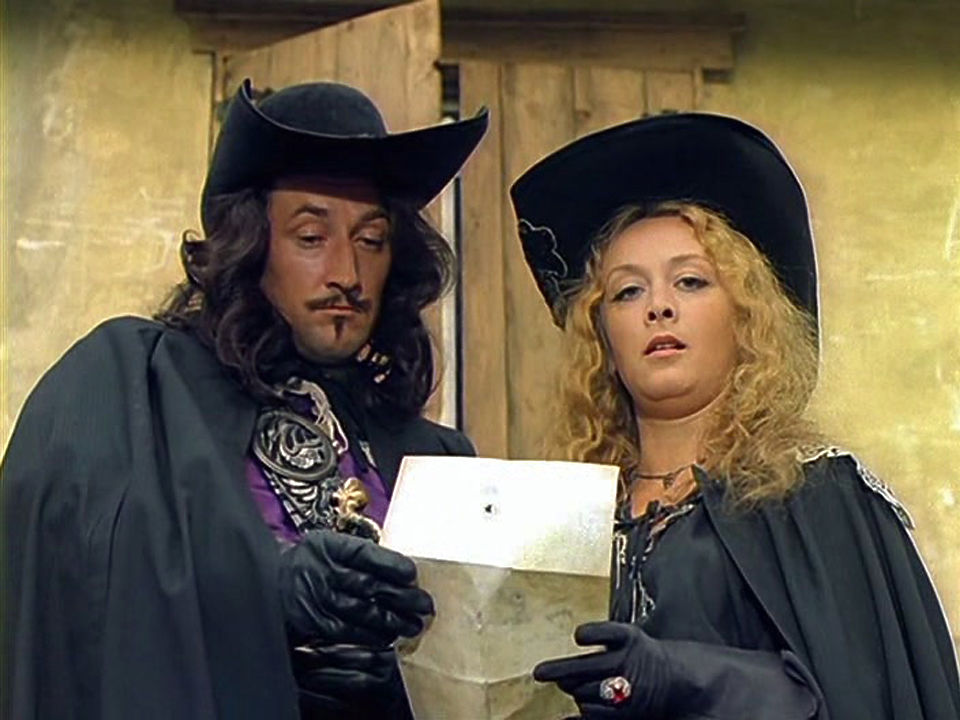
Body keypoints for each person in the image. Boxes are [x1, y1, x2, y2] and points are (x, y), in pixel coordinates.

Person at [2, 78, 488, 719]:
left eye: (371, 241)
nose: (346, 273)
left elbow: (493, 671)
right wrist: (268, 595)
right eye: (311, 237)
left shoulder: (437, 460)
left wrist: (404, 685)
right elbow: (74, 578)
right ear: (251, 243)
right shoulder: (137, 384)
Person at [509, 114, 960, 719]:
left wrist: (686, 678)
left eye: (691, 282)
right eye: (627, 292)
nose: (658, 307)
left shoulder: (816, 497)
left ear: (745, 318)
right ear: (602, 338)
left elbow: (858, 697)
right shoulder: (564, 524)